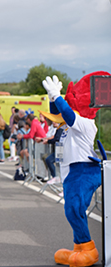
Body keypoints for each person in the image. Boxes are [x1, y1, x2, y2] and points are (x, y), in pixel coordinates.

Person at [42, 72, 110, 266]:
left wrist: (57, 96)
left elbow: (69, 115)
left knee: (74, 208)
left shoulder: (86, 123)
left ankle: (88, 249)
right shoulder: (66, 127)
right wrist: (51, 98)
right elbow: (59, 115)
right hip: (72, 172)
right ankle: (79, 247)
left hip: (84, 171)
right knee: (74, 209)